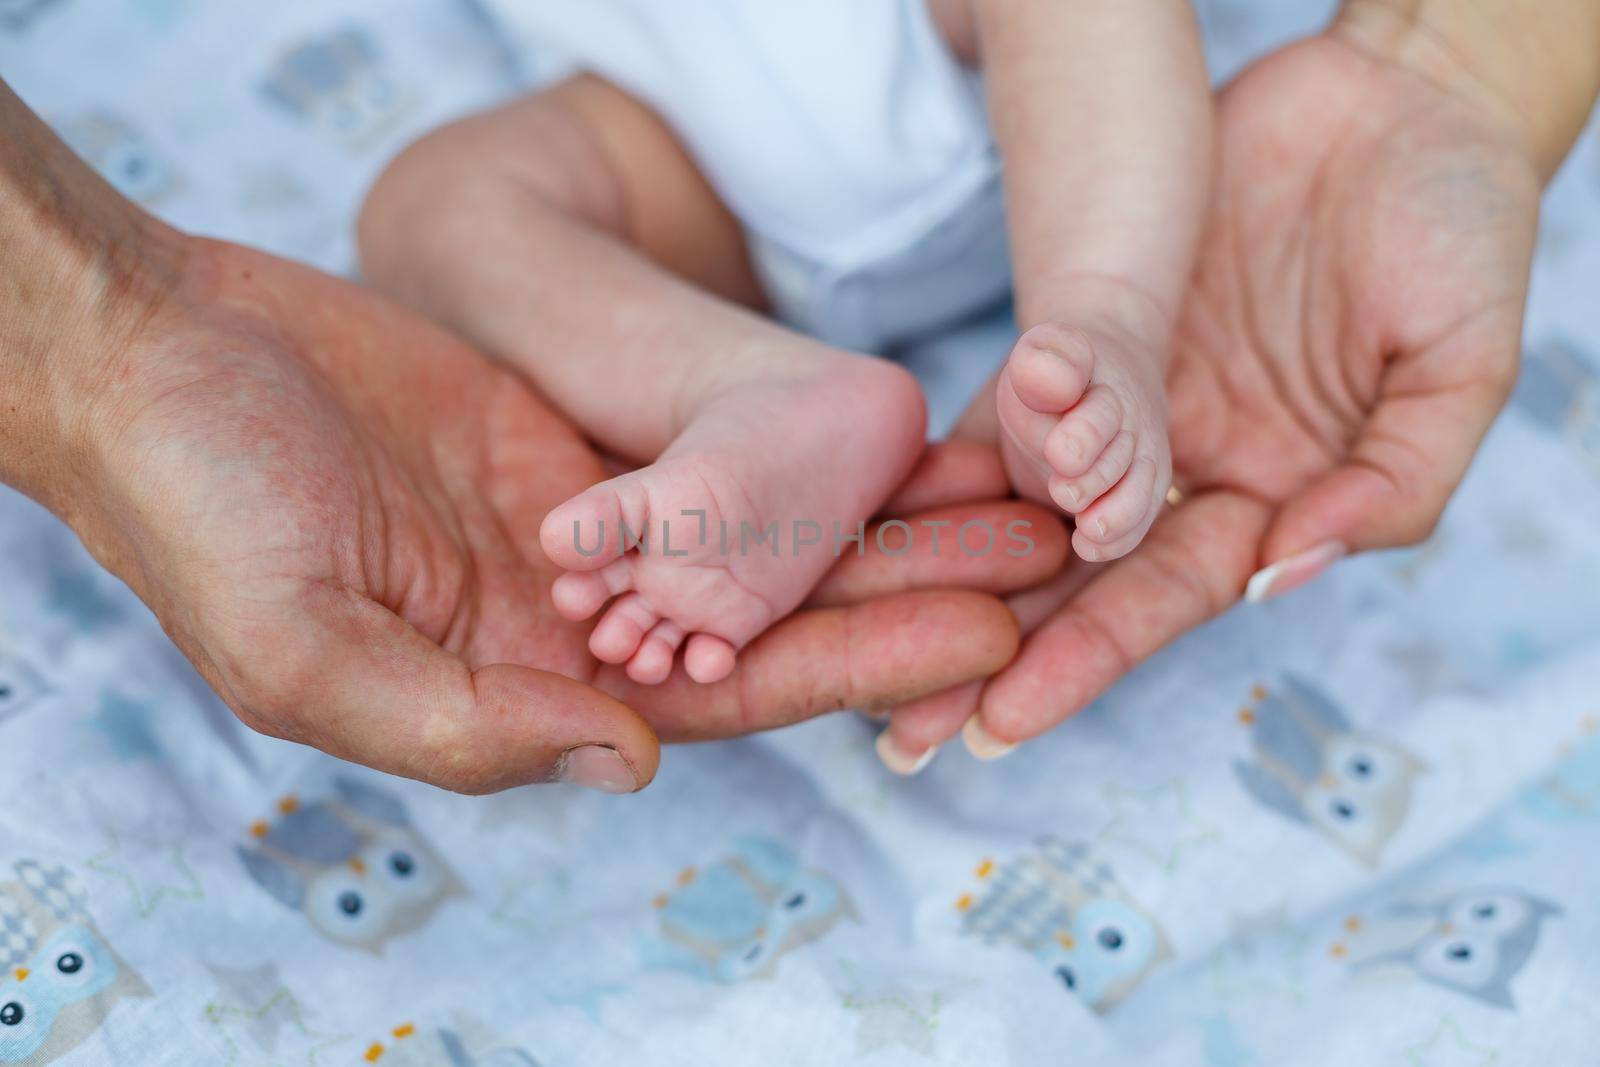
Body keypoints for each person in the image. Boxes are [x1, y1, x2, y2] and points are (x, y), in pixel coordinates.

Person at [0, 76, 1052, 794]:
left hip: (747, 108)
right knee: (429, 208)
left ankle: (762, 381)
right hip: (763, 118)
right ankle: (756, 380)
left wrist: (1099, 306)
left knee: (436, 204)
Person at [360, 0, 1209, 687]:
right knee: (425, 205)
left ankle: (1100, 306)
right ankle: (751, 383)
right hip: (667, 130)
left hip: (946, 43)